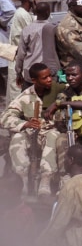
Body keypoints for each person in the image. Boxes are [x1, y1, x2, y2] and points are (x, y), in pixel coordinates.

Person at [0, 63, 59, 196]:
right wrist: (25, 124)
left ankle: (46, 180)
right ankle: (23, 182)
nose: (49, 79)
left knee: (53, 135)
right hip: (31, 135)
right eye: (45, 78)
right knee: (17, 138)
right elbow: (4, 118)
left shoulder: (58, 92)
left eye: (50, 76)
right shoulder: (25, 96)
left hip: (50, 133)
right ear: (34, 80)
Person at [47, 61, 82, 155]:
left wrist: (59, 104)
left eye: (74, 75)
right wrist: (68, 131)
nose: (70, 78)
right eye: (68, 75)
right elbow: (58, 117)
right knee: (62, 140)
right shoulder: (65, 92)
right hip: (74, 130)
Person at [16, 1, 58, 89]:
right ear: (48, 12)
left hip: (31, 73)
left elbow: (20, 54)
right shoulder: (54, 28)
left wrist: (18, 72)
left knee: (29, 99)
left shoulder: (27, 29)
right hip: (49, 73)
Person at [7, 0, 37, 102]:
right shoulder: (22, 14)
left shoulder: (26, 14)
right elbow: (33, 33)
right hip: (18, 60)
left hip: (22, 60)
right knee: (17, 97)